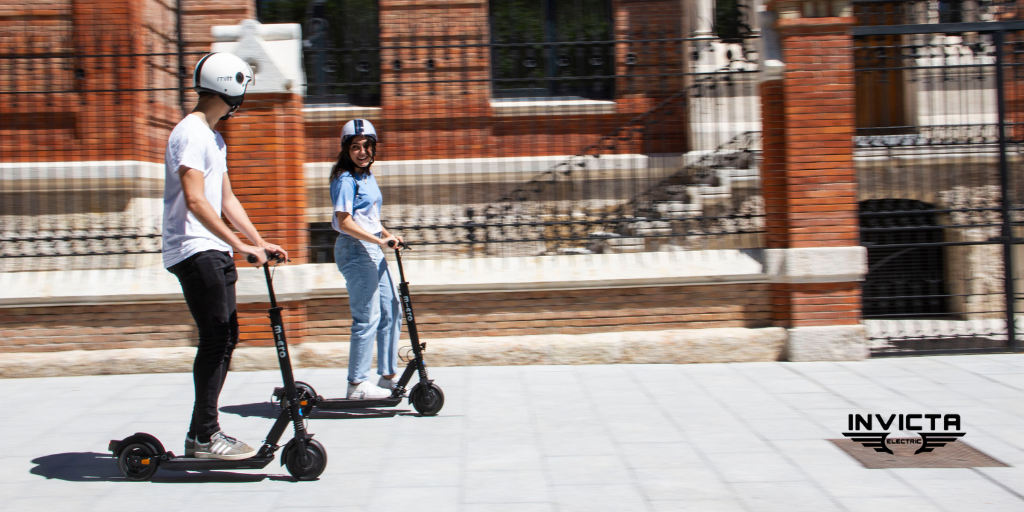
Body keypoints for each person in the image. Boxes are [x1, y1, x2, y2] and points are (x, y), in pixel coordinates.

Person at [162, 52, 288, 460]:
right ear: (229, 87)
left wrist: (258, 241)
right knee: (216, 337)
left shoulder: (214, 138)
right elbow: (197, 201)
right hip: (193, 248)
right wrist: (240, 246)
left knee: (225, 337)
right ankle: (203, 435)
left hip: (212, 248)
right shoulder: (190, 133)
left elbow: (226, 198)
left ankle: (203, 433)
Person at [329, 119, 403, 400]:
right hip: (355, 249)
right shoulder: (345, 180)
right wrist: (378, 241)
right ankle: (357, 384)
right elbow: (345, 222)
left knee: (391, 309)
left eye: (367, 146)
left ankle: (386, 377)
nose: (362, 152)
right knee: (367, 316)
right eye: (355, 147)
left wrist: (387, 234)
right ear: (346, 150)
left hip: (371, 248)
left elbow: (369, 218)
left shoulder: (367, 176)